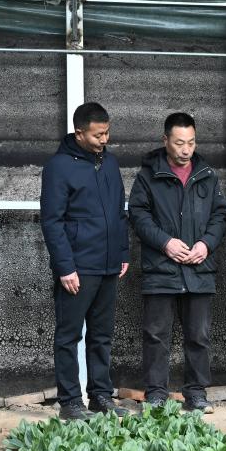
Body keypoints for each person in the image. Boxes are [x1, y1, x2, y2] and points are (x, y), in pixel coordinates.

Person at [128, 112, 226, 412]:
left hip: (198, 268)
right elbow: (138, 214)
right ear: (165, 141)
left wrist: (206, 244)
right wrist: (165, 242)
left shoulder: (207, 174)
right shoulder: (149, 175)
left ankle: (196, 393)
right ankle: (156, 393)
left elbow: (220, 214)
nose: (186, 150)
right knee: (156, 334)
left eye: (191, 142)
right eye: (179, 143)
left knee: (198, 335)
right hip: (161, 268)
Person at [40, 102, 130, 420]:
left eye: (107, 132)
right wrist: (65, 267)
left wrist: (122, 253)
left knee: (101, 335)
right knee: (69, 335)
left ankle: (100, 396)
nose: (104, 139)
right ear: (80, 133)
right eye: (98, 134)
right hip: (78, 267)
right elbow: (52, 221)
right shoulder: (59, 167)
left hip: (107, 265)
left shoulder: (109, 163)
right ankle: (70, 402)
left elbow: (120, 211)